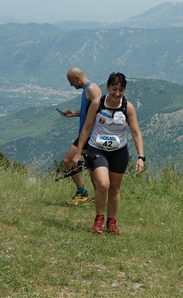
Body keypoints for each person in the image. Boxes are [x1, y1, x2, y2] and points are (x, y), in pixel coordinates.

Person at [72, 72, 145, 234]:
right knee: (103, 184)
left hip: (119, 152)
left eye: (121, 90)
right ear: (107, 88)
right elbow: (86, 128)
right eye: (114, 89)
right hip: (97, 149)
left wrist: (141, 157)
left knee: (115, 188)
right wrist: (78, 153)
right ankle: (99, 219)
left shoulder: (127, 107)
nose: (117, 93)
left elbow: (136, 132)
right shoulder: (98, 104)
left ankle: (112, 222)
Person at [61, 67, 102, 206]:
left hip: (90, 135)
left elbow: (101, 112)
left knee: (68, 160)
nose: (71, 85)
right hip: (87, 134)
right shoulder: (87, 89)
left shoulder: (92, 89)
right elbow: (90, 112)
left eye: (71, 81)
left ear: (77, 78)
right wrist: (73, 113)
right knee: (91, 167)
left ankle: (83, 193)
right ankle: (97, 198)